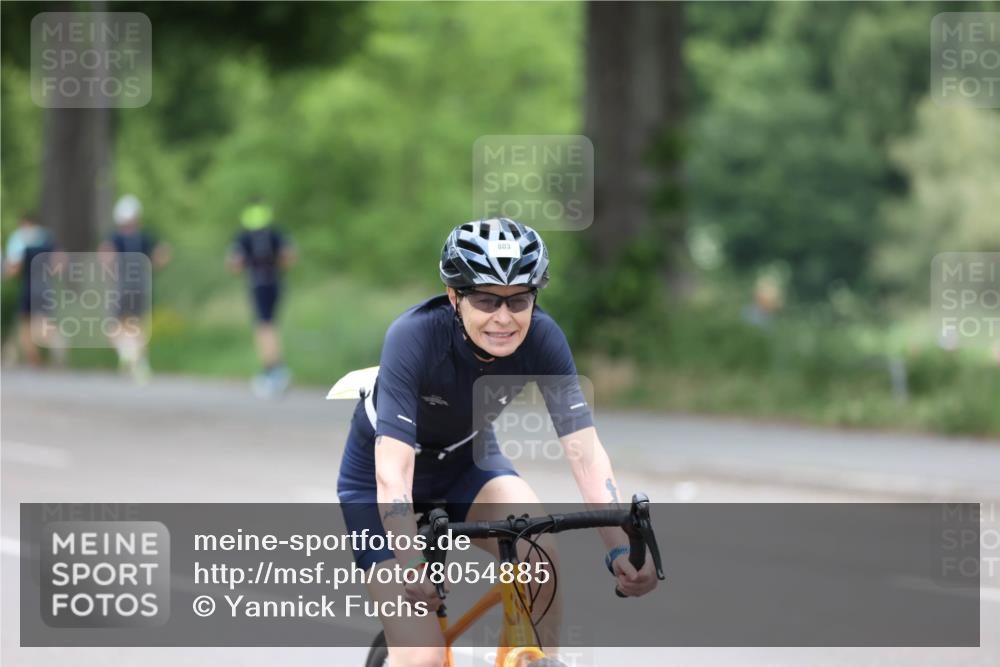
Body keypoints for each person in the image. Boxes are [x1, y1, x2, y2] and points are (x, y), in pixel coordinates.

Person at [337, 218, 658, 666]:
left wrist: (619, 546)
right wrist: (413, 563)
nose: (504, 318)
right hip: (382, 487)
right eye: (487, 300)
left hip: (467, 465)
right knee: (423, 657)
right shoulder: (413, 337)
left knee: (538, 545)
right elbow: (393, 473)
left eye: (519, 300)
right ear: (454, 296)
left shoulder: (543, 338)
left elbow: (585, 453)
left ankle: (535, 659)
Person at [226, 199, 296, 398]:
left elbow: (234, 263)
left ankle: (273, 370)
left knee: (264, 327)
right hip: (276, 283)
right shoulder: (276, 232)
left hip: (257, 283)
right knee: (271, 324)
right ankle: (276, 369)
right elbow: (289, 256)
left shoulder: (243, 237)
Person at [98, 194, 171, 383]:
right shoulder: (145, 237)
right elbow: (163, 254)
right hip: (141, 285)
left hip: (122, 284)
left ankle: (127, 353)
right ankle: (140, 362)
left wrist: (110, 272)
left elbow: (105, 256)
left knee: (115, 325)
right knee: (137, 325)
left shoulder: (115, 237)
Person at [3, 213, 64, 366]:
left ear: (24, 223)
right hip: (45, 286)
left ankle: (37, 358)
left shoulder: (21, 238)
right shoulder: (47, 237)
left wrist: (5, 273)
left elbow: (14, 267)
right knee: (41, 323)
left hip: (29, 287)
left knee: (26, 326)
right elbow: (60, 262)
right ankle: (51, 347)